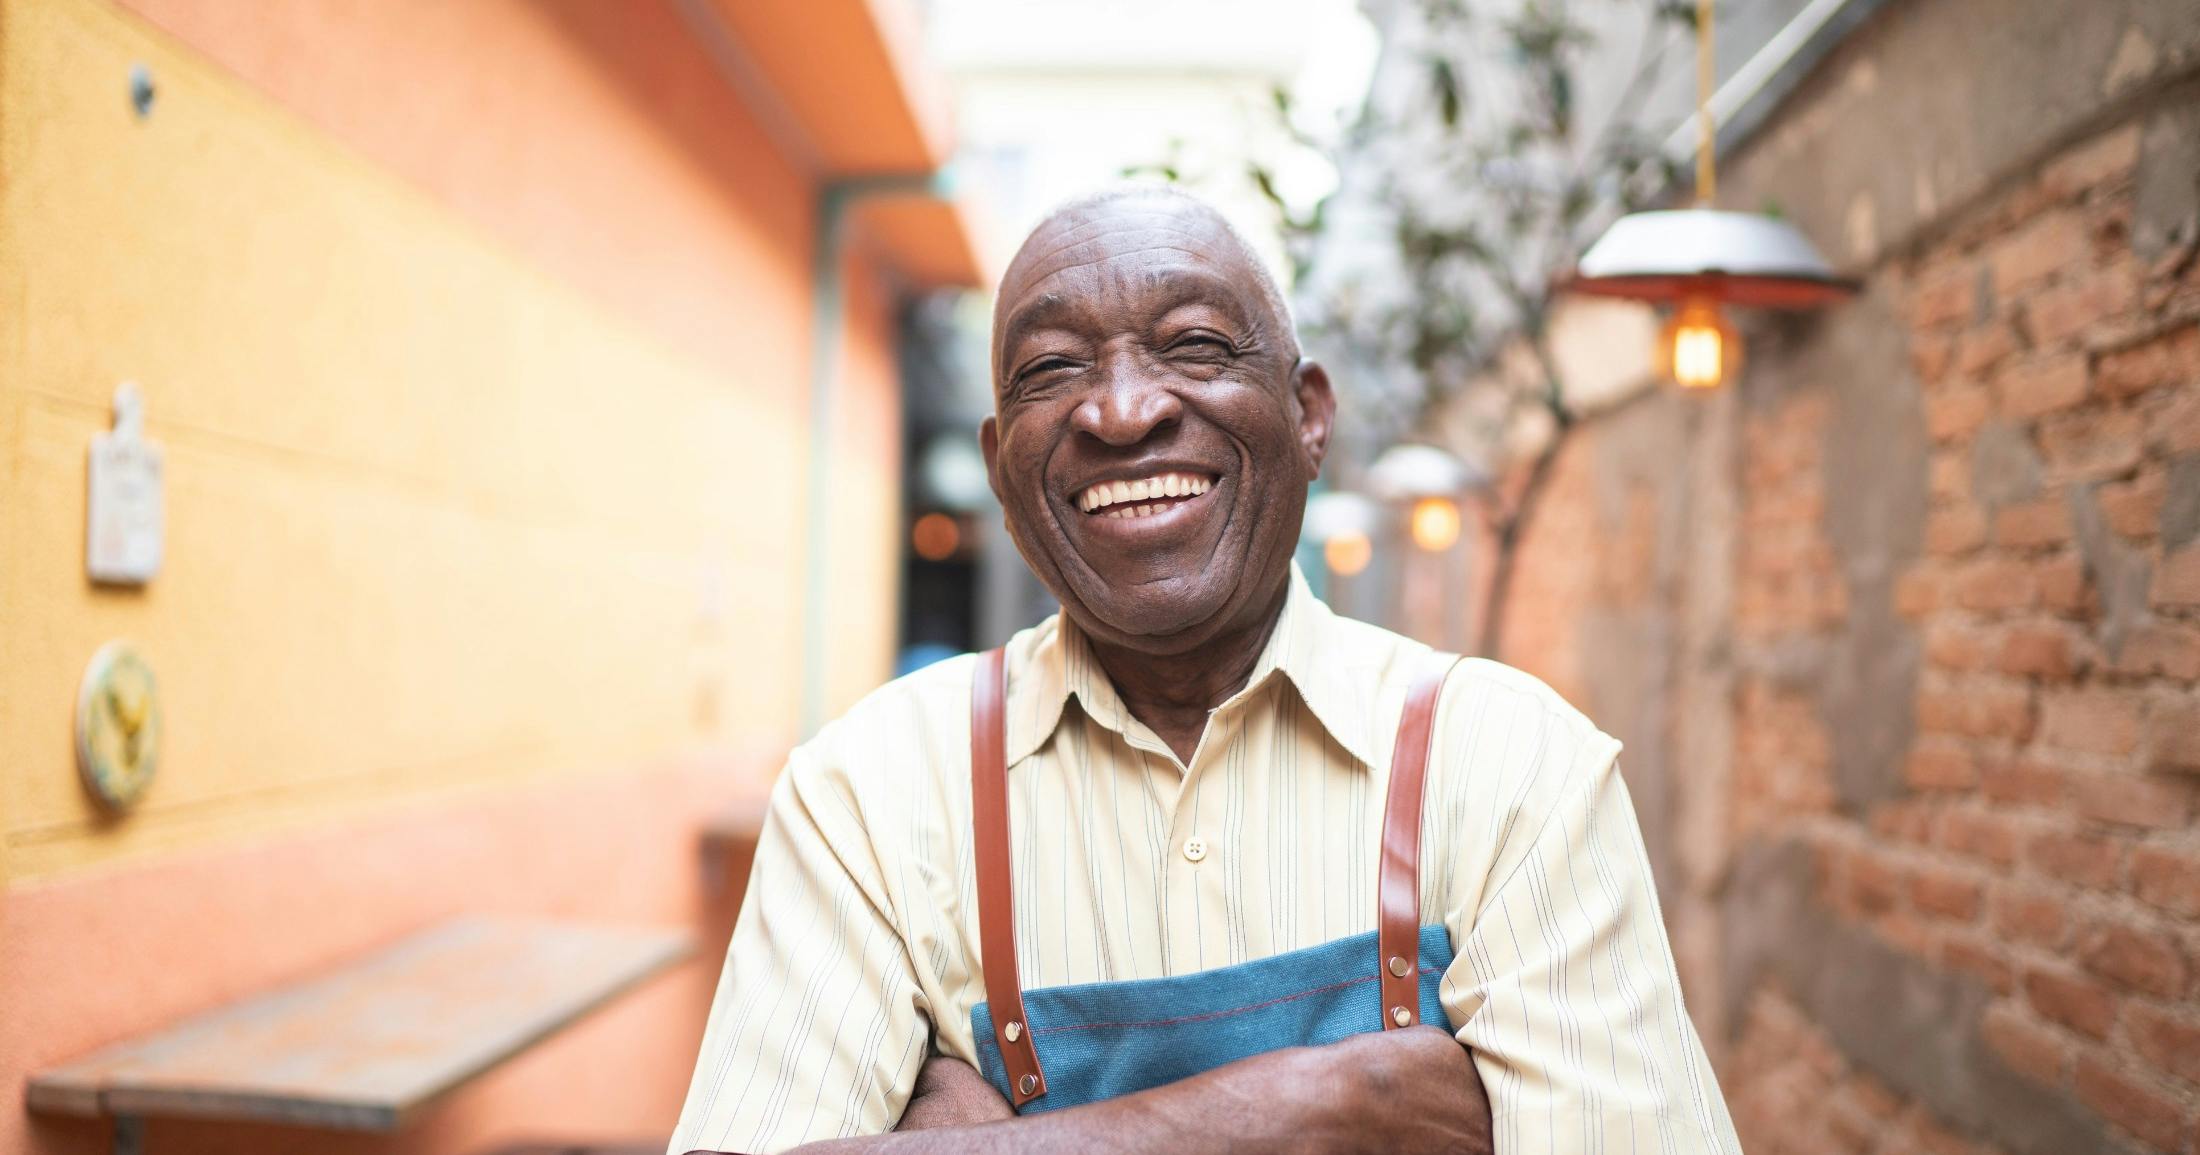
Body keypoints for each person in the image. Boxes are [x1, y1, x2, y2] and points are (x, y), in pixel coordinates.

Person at [667, 186, 1742, 1155]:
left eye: (1192, 346)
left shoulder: (1509, 765)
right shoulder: (869, 794)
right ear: (1000, 466)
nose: (1122, 411)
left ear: (1309, 415)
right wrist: (1323, 1109)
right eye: (1052, 369)